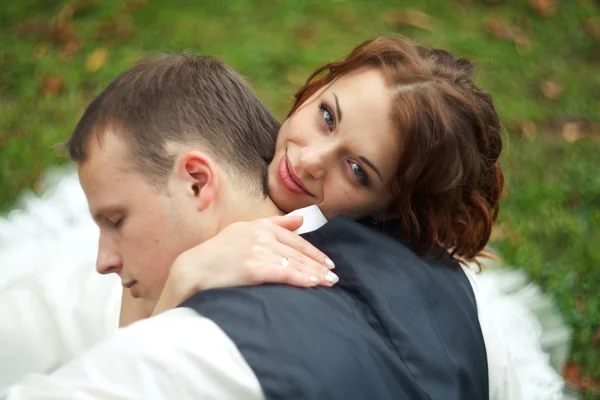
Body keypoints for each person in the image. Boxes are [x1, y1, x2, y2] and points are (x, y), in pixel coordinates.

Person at [8, 48, 489, 399]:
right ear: (319, 86)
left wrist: (180, 287)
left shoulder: (205, 352)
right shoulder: (430, 281)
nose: (310, 160)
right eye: (326, 115)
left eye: (358, 170)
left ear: (387, 208)